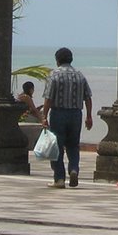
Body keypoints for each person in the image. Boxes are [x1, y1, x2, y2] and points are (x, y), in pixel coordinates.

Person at [40, 47, 93, 189]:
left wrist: (44, 116)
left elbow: (48, 98)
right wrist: (89, 116)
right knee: (73, 145)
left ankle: (59, 179)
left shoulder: (54, 75)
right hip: (76, 114)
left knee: (56, 147)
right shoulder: (79, 75)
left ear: (57, 60)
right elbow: (87, 97)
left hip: (58, 114)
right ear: (71, 59)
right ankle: (74, 169)